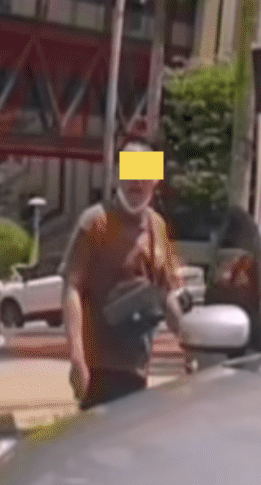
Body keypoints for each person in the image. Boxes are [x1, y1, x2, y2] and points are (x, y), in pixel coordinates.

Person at [60, 142, 189, 410]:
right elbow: (72, 287)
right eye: (130, 170)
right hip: (97, 368)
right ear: (118, 174)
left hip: (137, 368)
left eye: (145, 172)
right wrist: (76, 356)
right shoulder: (95, 222)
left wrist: (190, 344)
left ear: (156, 179)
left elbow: (168, 295)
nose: (136, 181)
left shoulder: (158, 227)